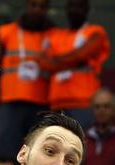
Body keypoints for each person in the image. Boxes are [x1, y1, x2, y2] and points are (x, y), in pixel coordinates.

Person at [0, 0, 54, 160]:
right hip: (11, 101)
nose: (37, 10)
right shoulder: (6, 32)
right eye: (33, 5)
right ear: (26, 6)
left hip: (41, 104)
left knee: (37, 154)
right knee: (7, 151)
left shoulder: (53, 35)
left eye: (42, 7)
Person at [42, 0, 110, 128]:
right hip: (57, 103)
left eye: (79, 6)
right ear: (66, 9)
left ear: (87, 10)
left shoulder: (96, 32)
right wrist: (76, 61)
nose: (74, 10)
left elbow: (83, 54)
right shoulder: (55, 35)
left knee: (82, 140)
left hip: (84, 103)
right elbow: (45, 63)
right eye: (71, 6)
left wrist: (57, 61)